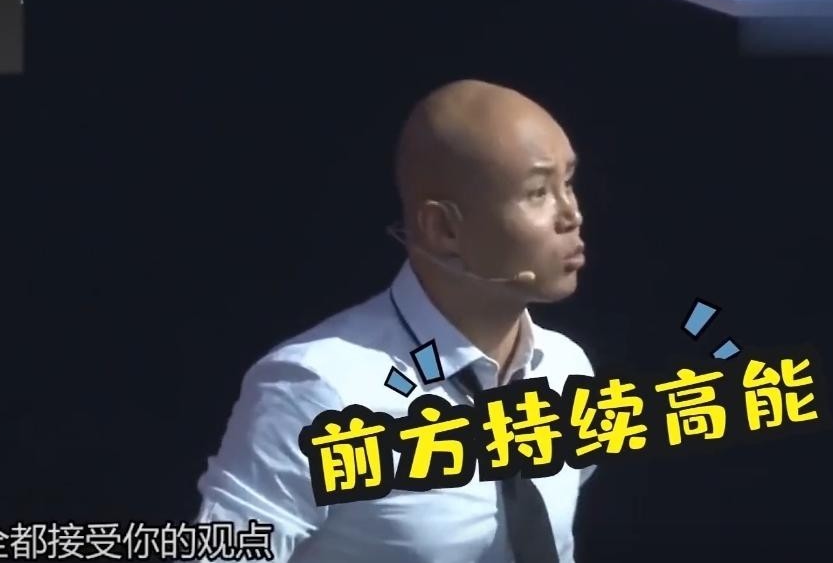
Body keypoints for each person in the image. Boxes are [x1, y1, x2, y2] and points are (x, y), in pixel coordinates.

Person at [193, 79, 596, 563]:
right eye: (537, 192)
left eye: (568, 183)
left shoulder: (566, 370)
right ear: (443, 229)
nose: (571, 214)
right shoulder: (317, 390)